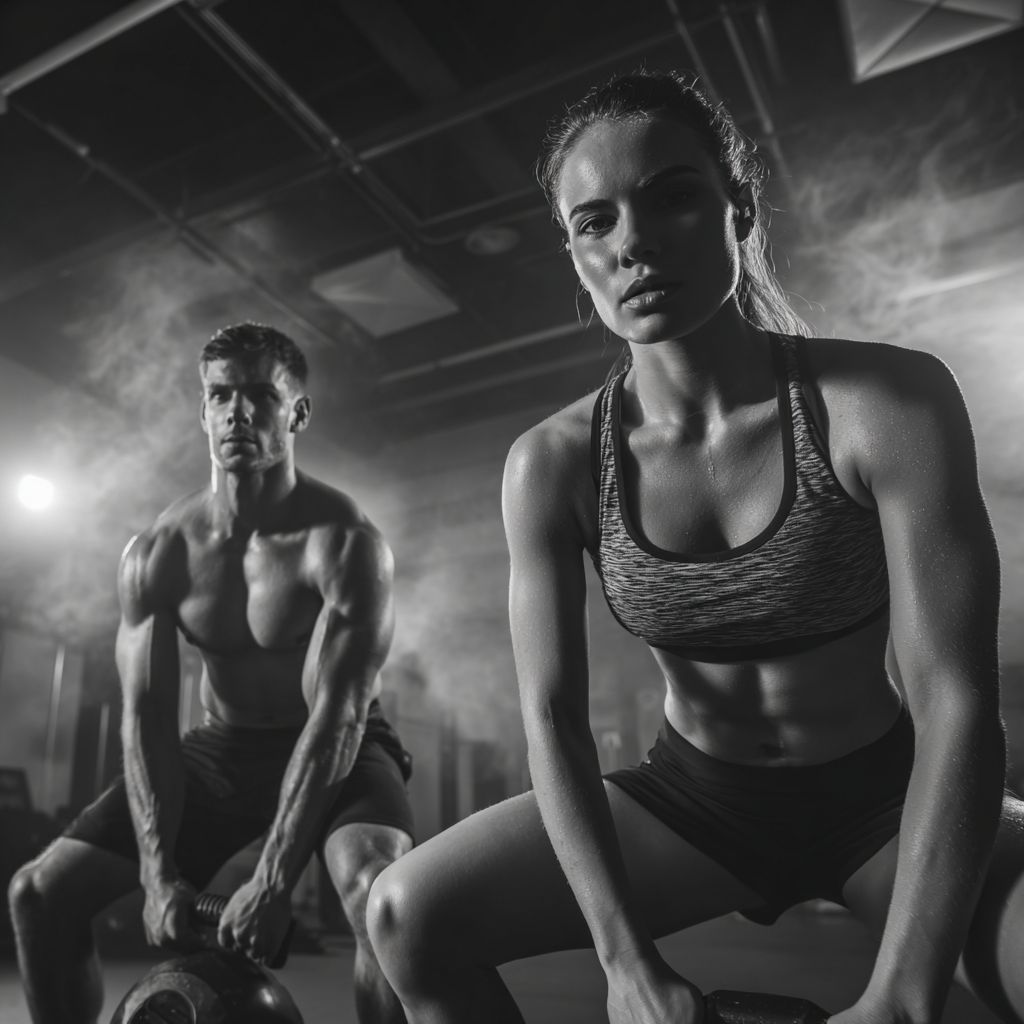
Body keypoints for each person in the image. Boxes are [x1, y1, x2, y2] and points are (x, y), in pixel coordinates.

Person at [364, 70, 1024, 1024]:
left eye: (671, 195)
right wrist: (622, 961)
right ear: (575, 253)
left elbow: (960, 699)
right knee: (405, 916)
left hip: (885, 799)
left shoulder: (886, 403)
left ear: (738, 210)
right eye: (594, 222)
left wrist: (903, 996)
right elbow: (551, 719)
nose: (632, 243)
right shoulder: (550, 464)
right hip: (693, 803)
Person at [8, 322, 415, 1024]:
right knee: (38, 895)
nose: (239, 412)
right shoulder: (160, 551)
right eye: (221, 395)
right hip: (221, 747)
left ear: (298, 412)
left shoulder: (345, 543)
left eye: (261, 394)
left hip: (337, 745)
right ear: (202, 411)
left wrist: (273, 880)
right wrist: (157, 870)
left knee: (381, 897)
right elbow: (146, 719)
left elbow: (338, 718)